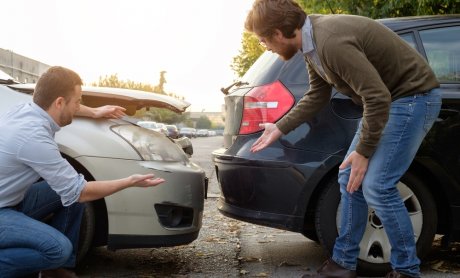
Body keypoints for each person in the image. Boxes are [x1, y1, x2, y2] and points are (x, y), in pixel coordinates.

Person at [245, 1, 441, 277]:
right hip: (389, 103)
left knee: (377, 186)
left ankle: (406, 270)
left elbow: (376, 96)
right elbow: (317, 94)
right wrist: (279, 128)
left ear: (279, 32)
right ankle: (343, 264)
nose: (265, 46)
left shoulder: (330, 42)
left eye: (264, 39)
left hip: (411, 99)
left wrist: (363, 151)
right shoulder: (311, 45)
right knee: (349, 177)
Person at [0, 66, 165, 278]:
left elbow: (73, 194)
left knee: (69, 195)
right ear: (59, 102)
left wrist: (95, 112)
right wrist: (129, 181)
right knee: (58, 249)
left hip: (10, 201)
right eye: (78, 101)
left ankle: (55, 272)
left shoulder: (25, 110)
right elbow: (81, 192)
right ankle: (50, 262)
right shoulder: (33, 136)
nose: (79, 105)